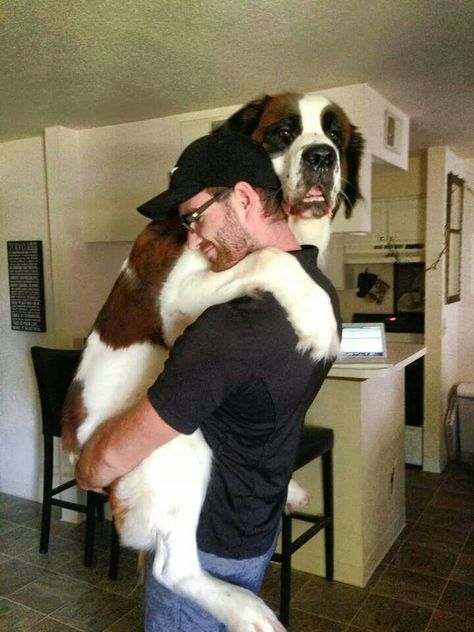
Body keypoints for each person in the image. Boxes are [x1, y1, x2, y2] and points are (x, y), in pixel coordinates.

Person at [76, 131, 341, 631]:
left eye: (195, 218)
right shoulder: (319, 295)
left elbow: (110, 458)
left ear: (242, 199)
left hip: (207, 538)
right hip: (255, 524)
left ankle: (186, 577)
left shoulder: (231, 329)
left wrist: (91, 469)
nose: (192, 240)